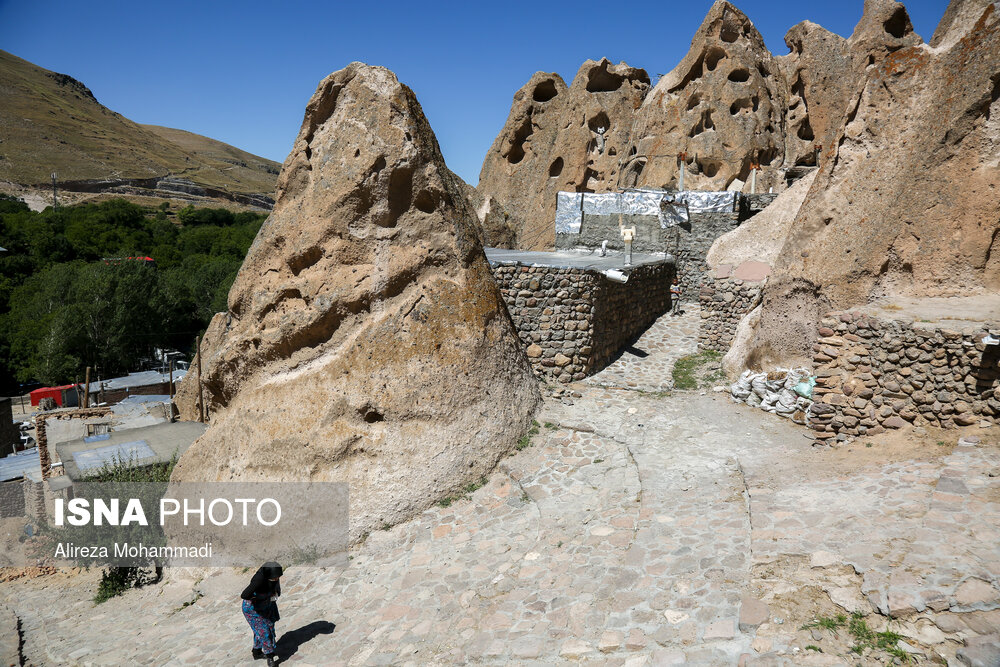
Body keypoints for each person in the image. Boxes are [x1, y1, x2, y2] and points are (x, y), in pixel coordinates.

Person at [242, 562, 283, 665]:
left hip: (267, 606)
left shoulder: (272, 575)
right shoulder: (259, 580)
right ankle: (270, 656)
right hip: (253, 610)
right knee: (265, 632)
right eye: (275, 578)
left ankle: (256, 652)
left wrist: (275, 594)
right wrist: (262, 597)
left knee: (266, 628)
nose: (277, 579)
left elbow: (275, 587)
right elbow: (245, 595)